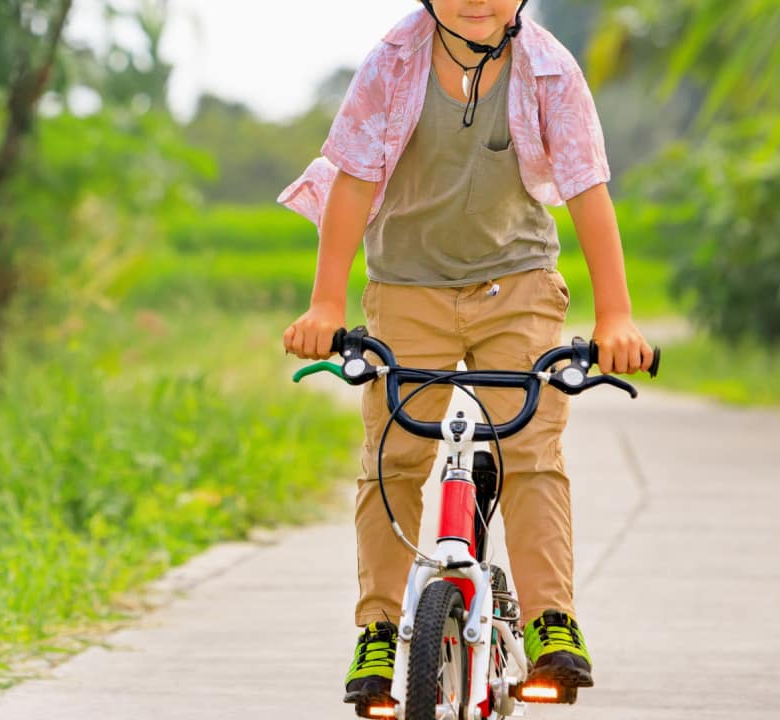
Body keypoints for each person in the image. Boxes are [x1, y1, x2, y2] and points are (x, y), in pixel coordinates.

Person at [279, 0, 654, 706]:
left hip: (516, 287)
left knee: (531, 448)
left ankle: (551, 620)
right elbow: (354, 182)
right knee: (393, 455)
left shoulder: (547, 71)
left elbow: (586, 187)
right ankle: (380, 629)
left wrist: (617, 318)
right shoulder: (392, 63)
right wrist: (327, 304)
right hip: (406, 289)